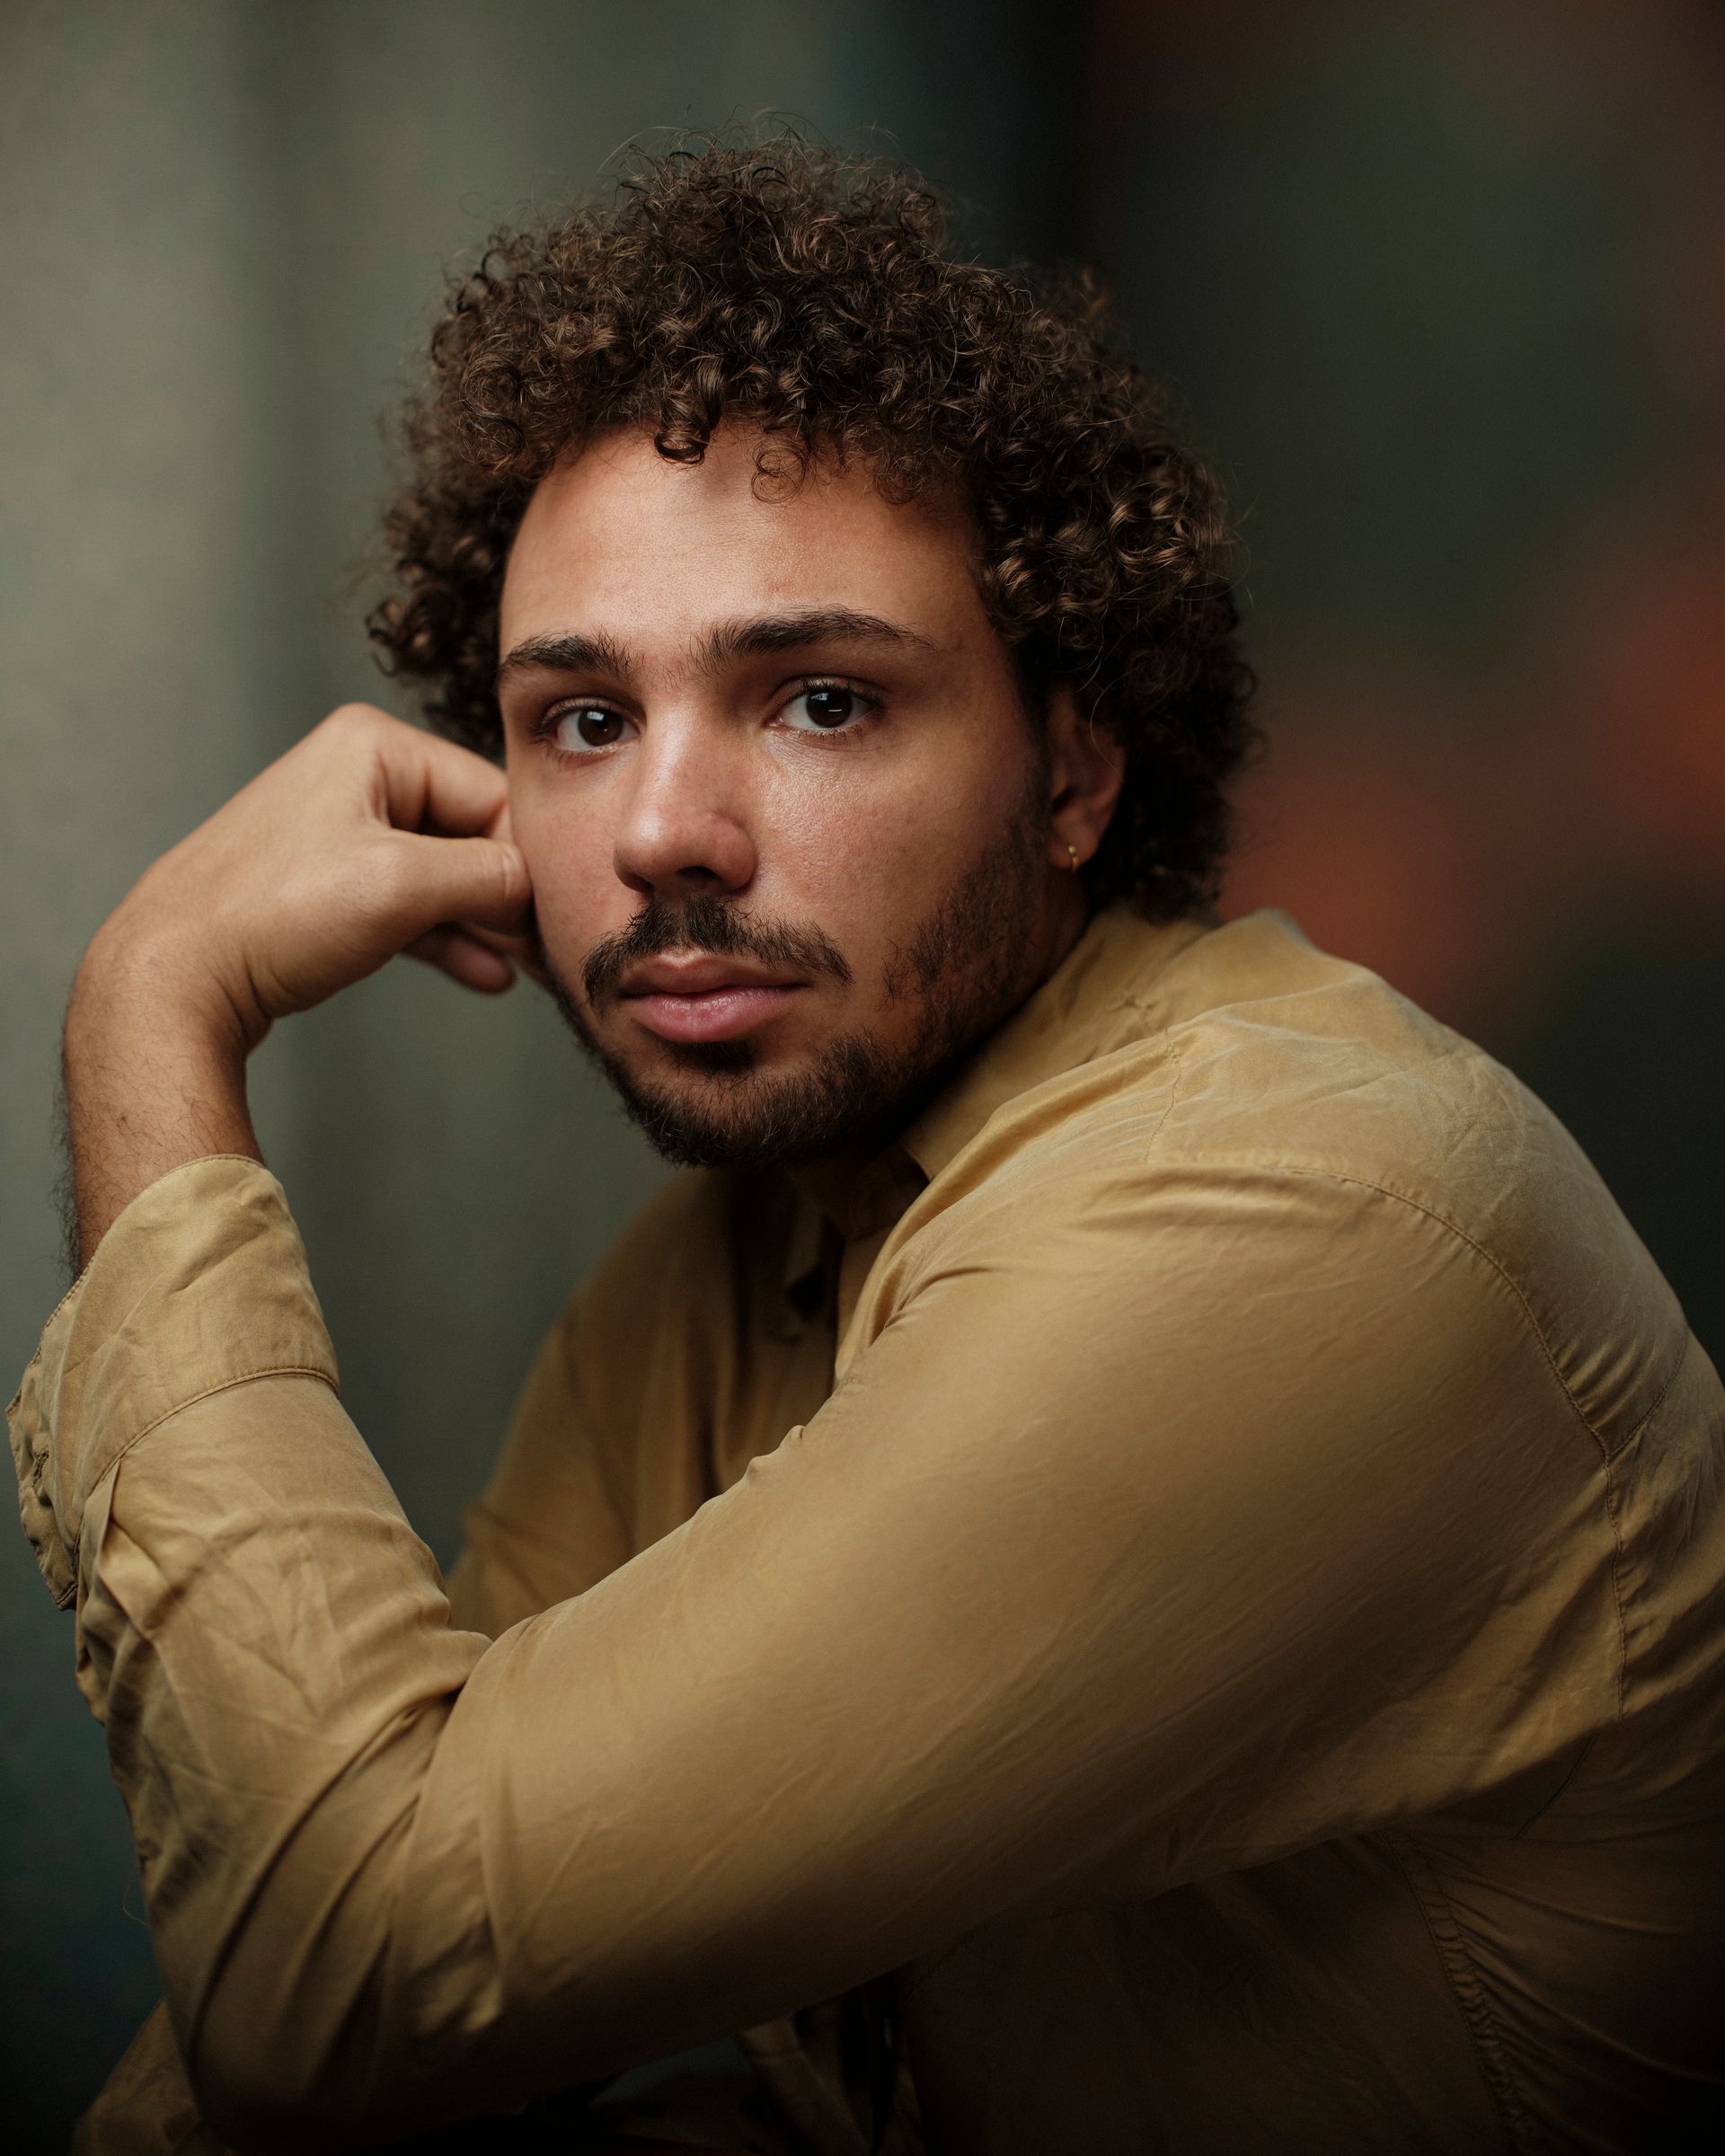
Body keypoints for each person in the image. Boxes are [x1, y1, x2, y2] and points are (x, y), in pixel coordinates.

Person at [13, 141, 1724, 2156]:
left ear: (1074, 766)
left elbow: (358, 1966)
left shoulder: (1301, 1213)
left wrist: (147, 1013)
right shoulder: (720, 1273)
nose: (665, 830)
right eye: (578, 720)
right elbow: (336, 2020)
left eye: (818, 700)